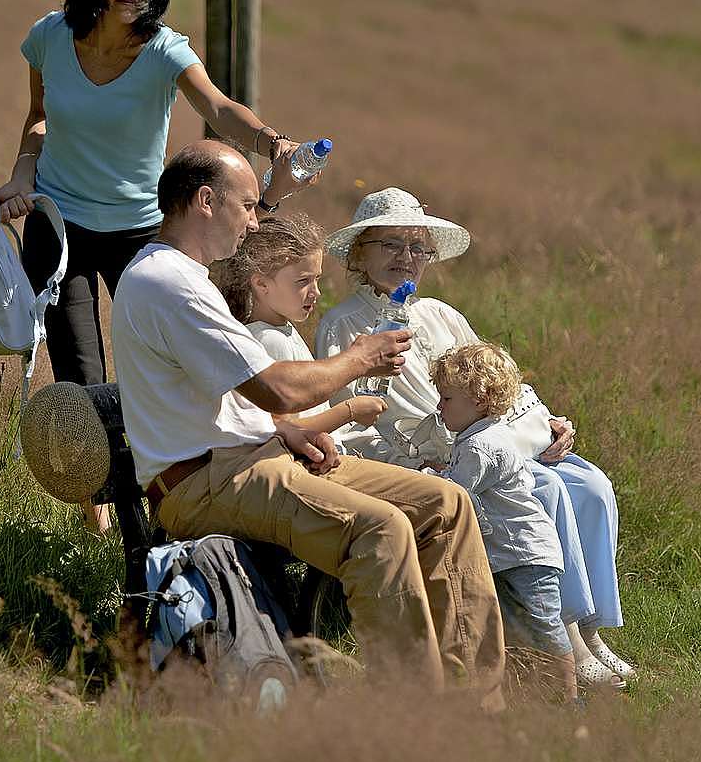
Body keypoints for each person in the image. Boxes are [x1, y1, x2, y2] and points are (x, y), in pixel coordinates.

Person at [110, 142, 505, 707]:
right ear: (204, 202)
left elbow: (232, 393)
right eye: (247, 205)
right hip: (202, 482)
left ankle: (476, 708)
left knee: (446, 506)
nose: (253, 218)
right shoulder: (167, 282)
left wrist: (284, 428)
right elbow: (277, 385)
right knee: (381, 530)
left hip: (246, 462)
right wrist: (360, 358)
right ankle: (415, 719)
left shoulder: (183, 277)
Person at [0, 0, 310, 532]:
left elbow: (217, 107)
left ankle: (177, 500)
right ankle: (101, 515)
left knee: (167, 369)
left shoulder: (165, 51)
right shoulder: (49, 38)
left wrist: (273, 143)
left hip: (140, 230)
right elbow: (37, 117)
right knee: (79, 381)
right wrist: (22, 176)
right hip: (61, 226)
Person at [315, 187, 636, 690]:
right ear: (360, 253)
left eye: (417, 247)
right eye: (391, 245)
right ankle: (563, 638)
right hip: (437, 459)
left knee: (591, 485)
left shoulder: (441, 314)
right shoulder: (343, 325)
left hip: (492, 442)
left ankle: (594, 632)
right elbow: (350, 422)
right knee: (545, 490)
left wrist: (547, 422)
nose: (407, 259)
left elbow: (492, 378)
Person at [427, 342, 577, 700]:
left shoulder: (480, 446)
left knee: (544, 626)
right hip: (514, 553)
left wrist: (425, 478)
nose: (439, 406)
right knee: (515, 625)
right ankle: (536, 690)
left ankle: (569, 696)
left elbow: (455, 493)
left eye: (447, 399)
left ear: (478, 400)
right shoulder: (486, 434)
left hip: (524, 554)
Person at [214, 212, 388, 439]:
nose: (316, 291)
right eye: (303, 281)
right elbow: (283, 430)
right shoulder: (269, 340)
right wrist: (351, 411)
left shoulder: (282, 330)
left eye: (316, 279)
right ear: (261, 284)